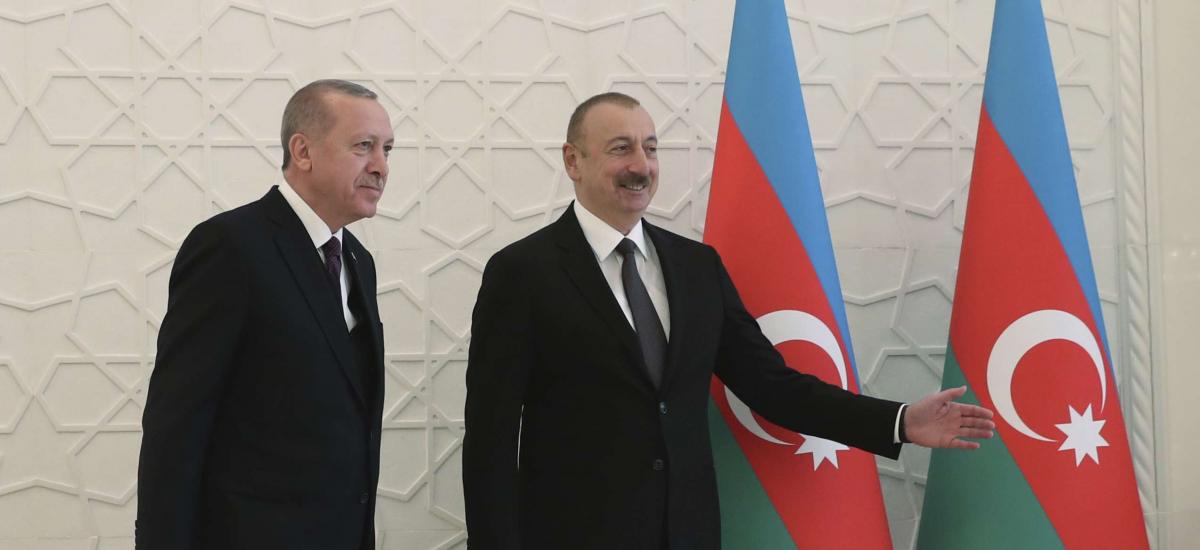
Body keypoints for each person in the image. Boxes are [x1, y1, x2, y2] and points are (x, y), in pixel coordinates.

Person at [462, 92, 995, 550]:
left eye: (651, 148)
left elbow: (772, 387)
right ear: (573, 160)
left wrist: (899, 421)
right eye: (621, 148)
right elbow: (490, 439)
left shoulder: (697, 268)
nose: (641, 165)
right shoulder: (521, 273)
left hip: (687, 534)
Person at [135, 79, 394, 550]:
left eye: (387, 149)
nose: (380, 166)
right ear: (303, 151)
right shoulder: (230, 247)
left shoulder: (359, 261)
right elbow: (176, 426)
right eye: (363, 146)